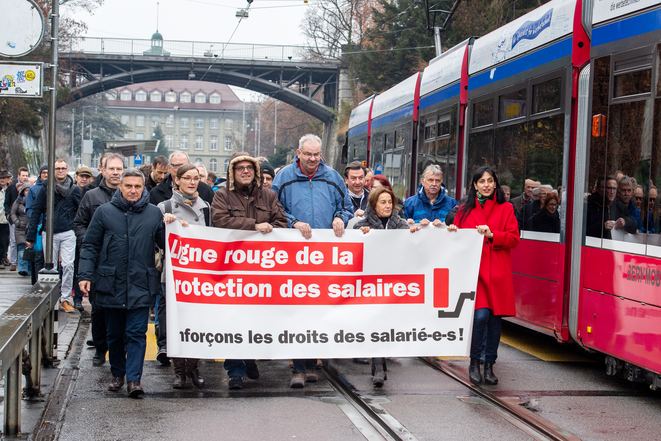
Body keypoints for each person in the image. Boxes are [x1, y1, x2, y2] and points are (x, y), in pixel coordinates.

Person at [271, 133, 353, 388]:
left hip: (324, 257)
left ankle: (310, 363)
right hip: (294, 257)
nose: (313, 159)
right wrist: (293, 222)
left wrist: (340, 217)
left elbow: (347, 206)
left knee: (317, 309)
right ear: (298, 153)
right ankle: (298, 367)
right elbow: (274, 208)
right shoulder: (283, 177)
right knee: (298, 309)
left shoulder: (333, 177)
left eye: (317, 154)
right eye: (308, 154)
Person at [79, 168, 164, 398]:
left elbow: (167, 245)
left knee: (137, 332)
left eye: (138, 186)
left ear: (143, 188)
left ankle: (134, 380)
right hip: (110, 282)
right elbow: (90, 246)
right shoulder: (104, 212)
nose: (133, 190)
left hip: (140, 282)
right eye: (129, 186)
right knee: (114, 333)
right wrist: (85, 275)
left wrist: (175, 225)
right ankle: (118, 373)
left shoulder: (154, 214)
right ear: (121, 187)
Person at [211, 152, 288, 389]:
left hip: (262, 271)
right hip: (232, 269)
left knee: (257, 319)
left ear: (255, 172)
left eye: (250, 168)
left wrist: (270, 228)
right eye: (240, 168)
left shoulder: (269, 195)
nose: (245, 171)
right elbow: (219, 221)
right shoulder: (221, 195)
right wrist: (253, 226)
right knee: (233, 319)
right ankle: (235, 370)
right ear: (232, 173)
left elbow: (282, 223)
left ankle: (249, 356)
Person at [447, 166, 519, 385]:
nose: (486, 185)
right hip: (475, 273)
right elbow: (455, 239)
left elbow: (514, 239)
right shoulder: (464, 210)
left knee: (495, 321)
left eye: (490, 181)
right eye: (482, 181)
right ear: (475, 185)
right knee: (480, 318)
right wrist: (451, 231)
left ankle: (489, 365)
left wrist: (492, 235)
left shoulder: (506, 208)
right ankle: (474, 363)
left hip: (497, 272)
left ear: (495, 184)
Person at [353, 186, 419, 386]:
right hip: (371, 284)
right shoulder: (361, 226)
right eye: (383, 202)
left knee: (386, 324)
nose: (388, 205)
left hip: (394, 284)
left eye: (390, 202)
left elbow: (411, 250)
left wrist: (415, 235)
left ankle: (378, 365)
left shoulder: (400, 226)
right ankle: (379, 366)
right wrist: (362, 236)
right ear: (373, 204)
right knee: (376, 322)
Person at [159, 164, 212, 389]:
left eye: (196, 178)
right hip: (174, 274)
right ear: (177, 180)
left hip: (199, 275)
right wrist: (167, 226)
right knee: (175, 322)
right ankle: (179, 370)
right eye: (187, 178)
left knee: (197, 323)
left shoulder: (206, 207)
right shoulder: (165, 206)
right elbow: (157, 241)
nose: (192, 182)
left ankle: (193, 367)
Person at [74, 154, 125, 362]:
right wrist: (91, 242)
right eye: (111, 168)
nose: (115, 173)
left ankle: (120, 348)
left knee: (122, 307)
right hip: (98, 262)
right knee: (98, 307)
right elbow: (79, 223)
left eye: (119, 169)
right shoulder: (91, 196)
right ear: (102, 171)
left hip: (122, 261)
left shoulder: (132, 193)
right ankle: (100, 347)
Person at [26, 159, 81, 313]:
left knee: (69, 265)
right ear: (53, 170)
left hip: (68, 231)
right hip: (49, 232)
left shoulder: (74, 190)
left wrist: (77, 229)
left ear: (67, 169)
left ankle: (64, 299)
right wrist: (30, 237)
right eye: (58, 168)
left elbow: (81, 211)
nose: (61, 171)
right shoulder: (45, 188)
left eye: (63, 168)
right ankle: (51, 299)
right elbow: (36, 211)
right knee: (50, 267)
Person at [150, 151, 215, 206]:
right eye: (176, 165)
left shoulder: (205, 190)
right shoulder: (157, 192)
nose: (180, 168)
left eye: (184, 165)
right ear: (169, 168)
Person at [5, 167, 29, 271]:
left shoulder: (29, 187)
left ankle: (24, 264)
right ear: (18, 176)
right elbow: (7, 202)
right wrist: (8, 214)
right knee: (15, 242)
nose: (24, 177)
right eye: (23, 175)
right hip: (15, 219)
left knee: (26, 243)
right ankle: (14, 263)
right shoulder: (11, 188)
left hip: (27, 221)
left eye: (26, 175)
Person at [9, 182, 32, 276]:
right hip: (20, 228)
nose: (27, 192)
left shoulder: (33, 200)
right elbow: (12, 213)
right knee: (22, 248)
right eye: (26, 190)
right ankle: (23, 268)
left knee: (30, 248)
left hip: (30, 227)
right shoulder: (18, 201)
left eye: (29, 190)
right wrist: (17, 222)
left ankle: (30, 268)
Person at [0, 170, 11, 268]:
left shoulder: (10, 190)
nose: (2, 180)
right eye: (0, 178)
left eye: (4, 178)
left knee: (5, 240)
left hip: (6, 219)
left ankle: (4, 256)